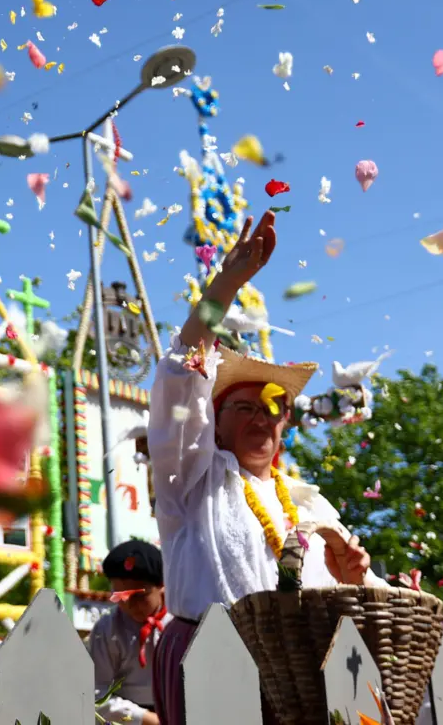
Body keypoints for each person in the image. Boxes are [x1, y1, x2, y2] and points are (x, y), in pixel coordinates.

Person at [147, 211, 386, 725]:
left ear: (284, 428)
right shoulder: (192, 475)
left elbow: (337, 614)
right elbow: (178, 376)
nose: (262, 416)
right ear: (213, 421)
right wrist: (226, 283)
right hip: (213, 664)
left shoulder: (306, 503)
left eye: (274, 407)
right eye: (244, 406)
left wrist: (355, 580)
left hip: (300, 674)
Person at [89, 539, 171, 725]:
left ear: (162, 586)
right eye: (121, 596)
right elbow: (96, 692)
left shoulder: (179, 623)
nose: (129, 604)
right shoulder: (107, 630)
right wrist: (145, 718)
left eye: (140, 596)